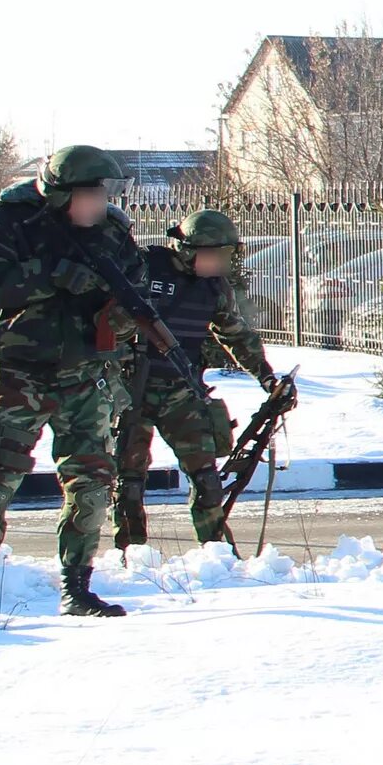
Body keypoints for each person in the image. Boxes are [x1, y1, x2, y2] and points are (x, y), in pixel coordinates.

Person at [0, 146, 163, 626]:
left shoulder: (111, 231)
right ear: (61, 195)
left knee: (93, 481)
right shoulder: (9, 220)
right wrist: (54, 275)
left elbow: (134, 285)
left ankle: (77, 589)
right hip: (22, 370)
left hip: (85, 373)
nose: (98, 203)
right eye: (88, 194)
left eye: (102, 194)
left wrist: (118, 314)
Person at [110, 208, 281, 550]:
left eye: (226, 255)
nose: (220, 263)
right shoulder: (144, 268)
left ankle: (217, 555)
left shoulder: (214, 288)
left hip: (181, 392)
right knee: (128, 481)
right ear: (189, 250)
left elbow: (235, 334)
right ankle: (131, 556)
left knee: (206, 480)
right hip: (133, 389)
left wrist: (267, 378)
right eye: (214, 255)